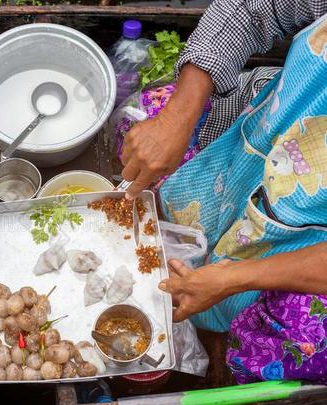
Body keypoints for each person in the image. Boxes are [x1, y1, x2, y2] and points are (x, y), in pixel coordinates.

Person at [120, 0, 327, 383]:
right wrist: (177, 118)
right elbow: (252, 7)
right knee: (141, 117)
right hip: (268, 129)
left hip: (313, 248)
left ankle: (223, 352)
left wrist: (237, 277)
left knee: (304, 340)